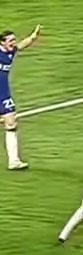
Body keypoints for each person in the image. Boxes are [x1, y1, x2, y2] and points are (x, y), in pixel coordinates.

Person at [0, 25, 42, 170]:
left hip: (3, 93)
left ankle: (14, 161)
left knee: (11, 123)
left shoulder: (11, 51)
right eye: (10, 40)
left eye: (14, 40)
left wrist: (33, 37)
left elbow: (22, 45)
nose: (13, 43)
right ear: (2, 43)